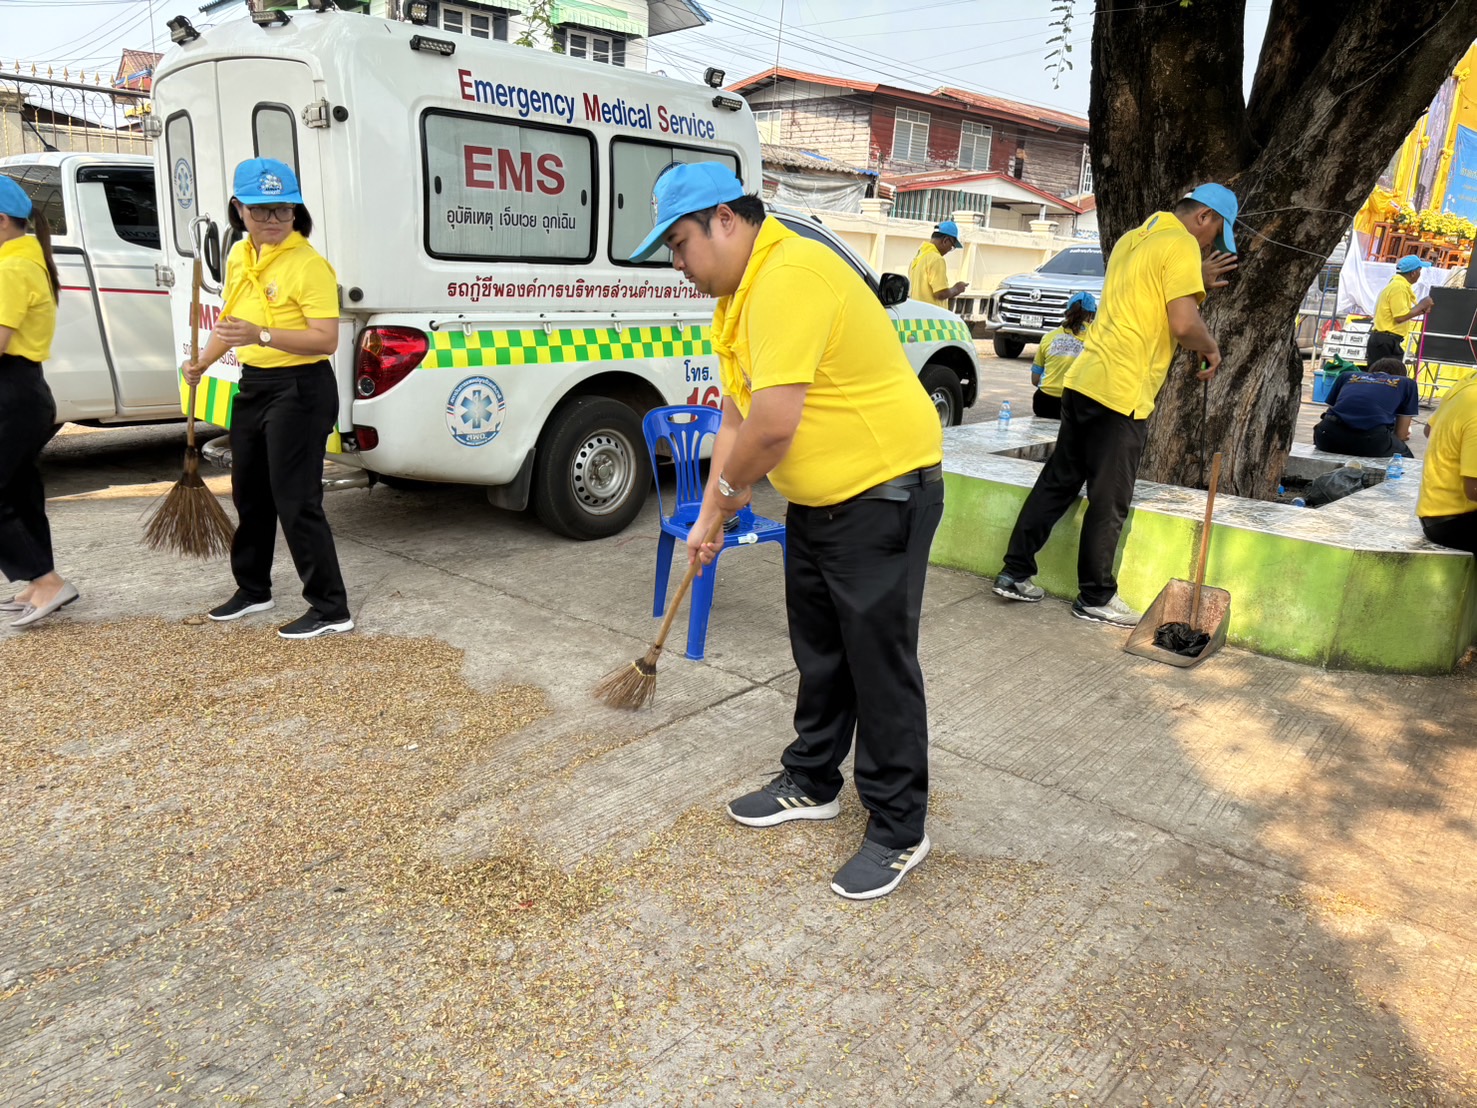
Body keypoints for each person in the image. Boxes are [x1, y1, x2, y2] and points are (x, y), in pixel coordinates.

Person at [632, 162, 944, 901]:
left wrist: (728, 499)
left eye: (680, 245)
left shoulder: (790, 276)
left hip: (882, 493)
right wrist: (711, 515)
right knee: (821, 653)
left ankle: (899, 827)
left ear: (726, 221)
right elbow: (736, 419)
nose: (677, 266)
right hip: (819, 500)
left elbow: (772, 427)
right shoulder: (736, 300)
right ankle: (811, 780)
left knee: (878, 663)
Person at [993, 183, 1238, 627]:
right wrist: (1212, 347)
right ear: (1204, 217)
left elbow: (1143, 297)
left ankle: (1014, 572)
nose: (1211, 245)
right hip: (1122, 391)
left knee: (1059, 480)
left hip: (1085, 380)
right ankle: (1096, 597)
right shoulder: (1181, 243)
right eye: (1215, 234)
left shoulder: (1134, 238)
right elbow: (1183, 325)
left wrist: (1194, 278)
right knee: (1110, 498)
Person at [183, 158, 352, 640]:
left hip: (302, 388)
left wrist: (262, 332)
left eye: (283, 209)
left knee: (296, 498)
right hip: (255, 384)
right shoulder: (239, 255)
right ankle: (254, 588)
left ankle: (330, 607)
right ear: (239, 210)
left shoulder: (309, 266)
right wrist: (204, 361)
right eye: (261, 211)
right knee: (249, 492)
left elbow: (324, 341)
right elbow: (231, 324)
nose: (273, 219)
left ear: (296, 211)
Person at [0, 177, 77, 629]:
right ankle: (36, 581)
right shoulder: (25, 261)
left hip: (12, 391)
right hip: (23, 391)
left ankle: (45, 580)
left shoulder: (11, 269)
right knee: (18, 490)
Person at [1312, 356, 1418, 458]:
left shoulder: (1347, 376)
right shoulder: (1407, 383)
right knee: (1403, 456)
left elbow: (1331, 410)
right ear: (1401, 375)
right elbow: (1401, 434)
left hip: (1326, 436)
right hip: (1371, 441)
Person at [1418, 375, 1477, 555]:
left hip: (1434, 513)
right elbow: (1473, 490)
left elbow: (1429, 429)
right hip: (1454, 520)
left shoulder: (1466, 385)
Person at [1030, 291, 1096, 419]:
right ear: (1090, 316)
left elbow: (1035, 380)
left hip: (1042, 403)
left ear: (1067, 311)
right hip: (1073, 406)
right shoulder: (1095, 339)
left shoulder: (1048, 337)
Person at [1366, 255, 1434, 365]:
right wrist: (1421, 305)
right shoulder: (1399, 287)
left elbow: (1402, 314)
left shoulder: (1398, 285)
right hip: (1385, 341)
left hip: (1386, 340)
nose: (1420, 275)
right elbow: (1400, 317)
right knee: (1387, 377)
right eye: (1419, 271)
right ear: (1413, 273)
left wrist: (1420, 310)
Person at [908, 220, 968, 309]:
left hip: (917, 313)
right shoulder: (936, 259)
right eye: (951, 247)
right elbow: (940, 293)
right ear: (945, 240)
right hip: (931, 317)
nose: (949, 250)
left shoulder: (919, 256)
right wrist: (957, 289)